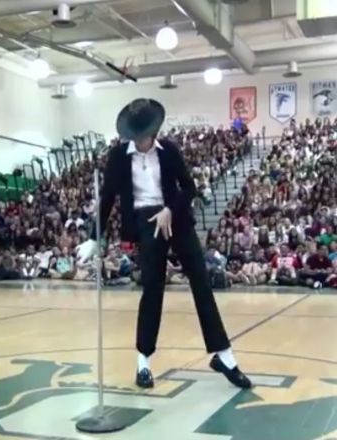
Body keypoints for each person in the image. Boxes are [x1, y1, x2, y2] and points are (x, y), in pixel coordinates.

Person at [77, 98, 251, 389]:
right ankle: (143, 362)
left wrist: (170, 209)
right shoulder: (119, 156)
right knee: (152, 289)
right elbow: (107, 197)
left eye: (145, 135)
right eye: (136, 136)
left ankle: (224, 356)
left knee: (201, 282)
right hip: (146, 222)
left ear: (153, 131)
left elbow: (189, 187)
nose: (141, 141)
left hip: (176, 217)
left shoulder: (168, 150)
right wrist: (94, 237)